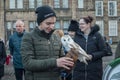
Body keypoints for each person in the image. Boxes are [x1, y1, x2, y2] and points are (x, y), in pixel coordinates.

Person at [20, 5, 74, 80]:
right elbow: (28, 63)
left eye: (53, 23)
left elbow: (61, 61)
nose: (52, 26)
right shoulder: (28, 37)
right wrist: (55, 62)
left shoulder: (57, 37)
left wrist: (70, 63)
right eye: (48, 23)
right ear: (40, 23)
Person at [72, 16, 107, 80]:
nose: (80, 26)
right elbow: (73, 50)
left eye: (82, 24)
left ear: (88, 24)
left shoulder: (97, 36)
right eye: (79, 24)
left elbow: (104, 51)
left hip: (94, 73)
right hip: (79, 73)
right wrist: (74, 52)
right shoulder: (77, 36)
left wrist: (92, 56)